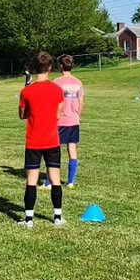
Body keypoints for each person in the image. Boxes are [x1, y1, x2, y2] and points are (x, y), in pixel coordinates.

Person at [17, 50, 65, 228]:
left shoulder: (26, 91)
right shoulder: (57, 90)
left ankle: (29, 219)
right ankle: (58, 217)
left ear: (34, 67)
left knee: (31, 179)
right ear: (50, 68)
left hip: (34, 141)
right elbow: (58, 114)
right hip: (52, 140)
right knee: (55, 178)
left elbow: (22, 115)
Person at [53, 54, 84, 188]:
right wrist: (78, 116)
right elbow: (81, 102)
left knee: (54, 151)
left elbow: (53, 102)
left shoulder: (57, 82)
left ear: (60, 66)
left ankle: (49, 182)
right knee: (72, 149)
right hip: (74, 120)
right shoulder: (78, 82)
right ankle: (70, 182)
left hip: (60, 121)